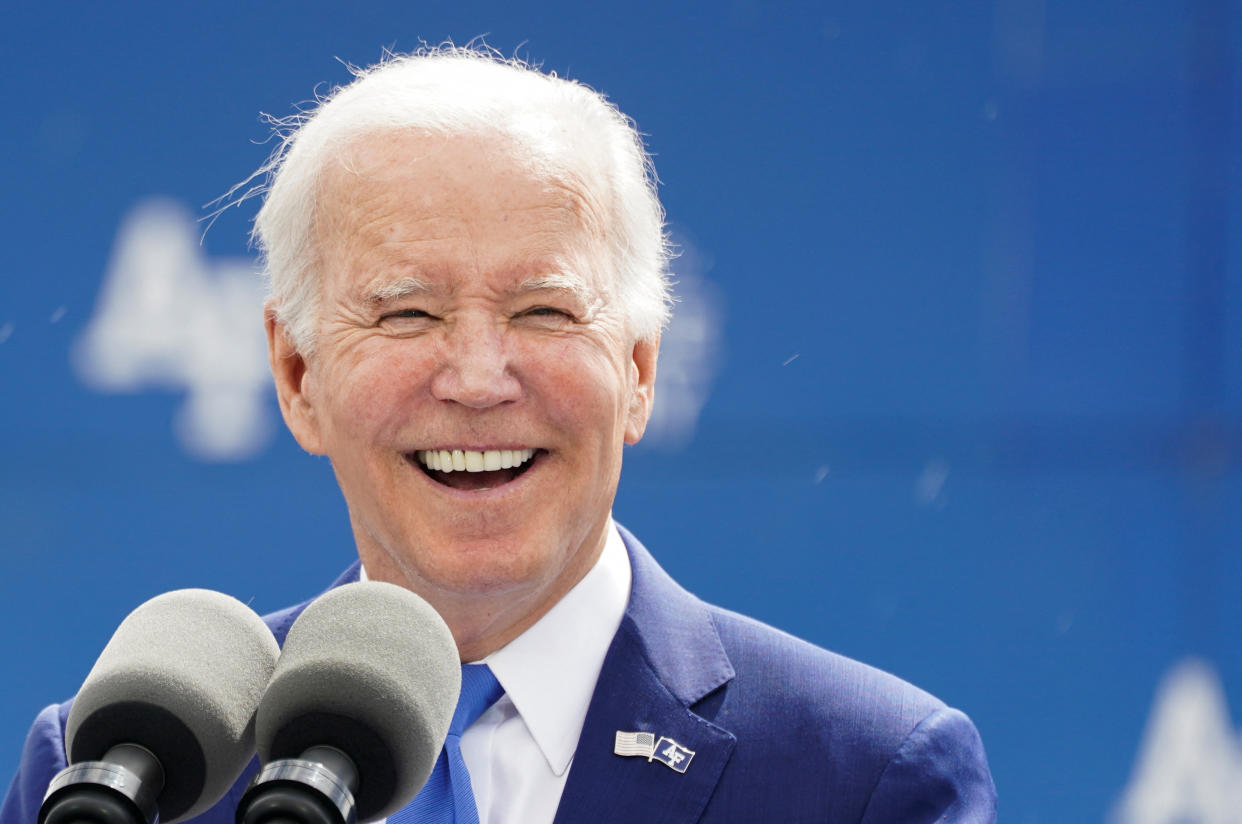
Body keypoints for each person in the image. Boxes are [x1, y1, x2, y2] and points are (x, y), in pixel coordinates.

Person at [3, 47, 996, 823]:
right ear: (297, 375)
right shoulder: (130, 767)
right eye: (405, 313)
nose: (477, 377)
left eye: (543, 312)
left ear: (639, 371)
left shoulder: (862, 774)